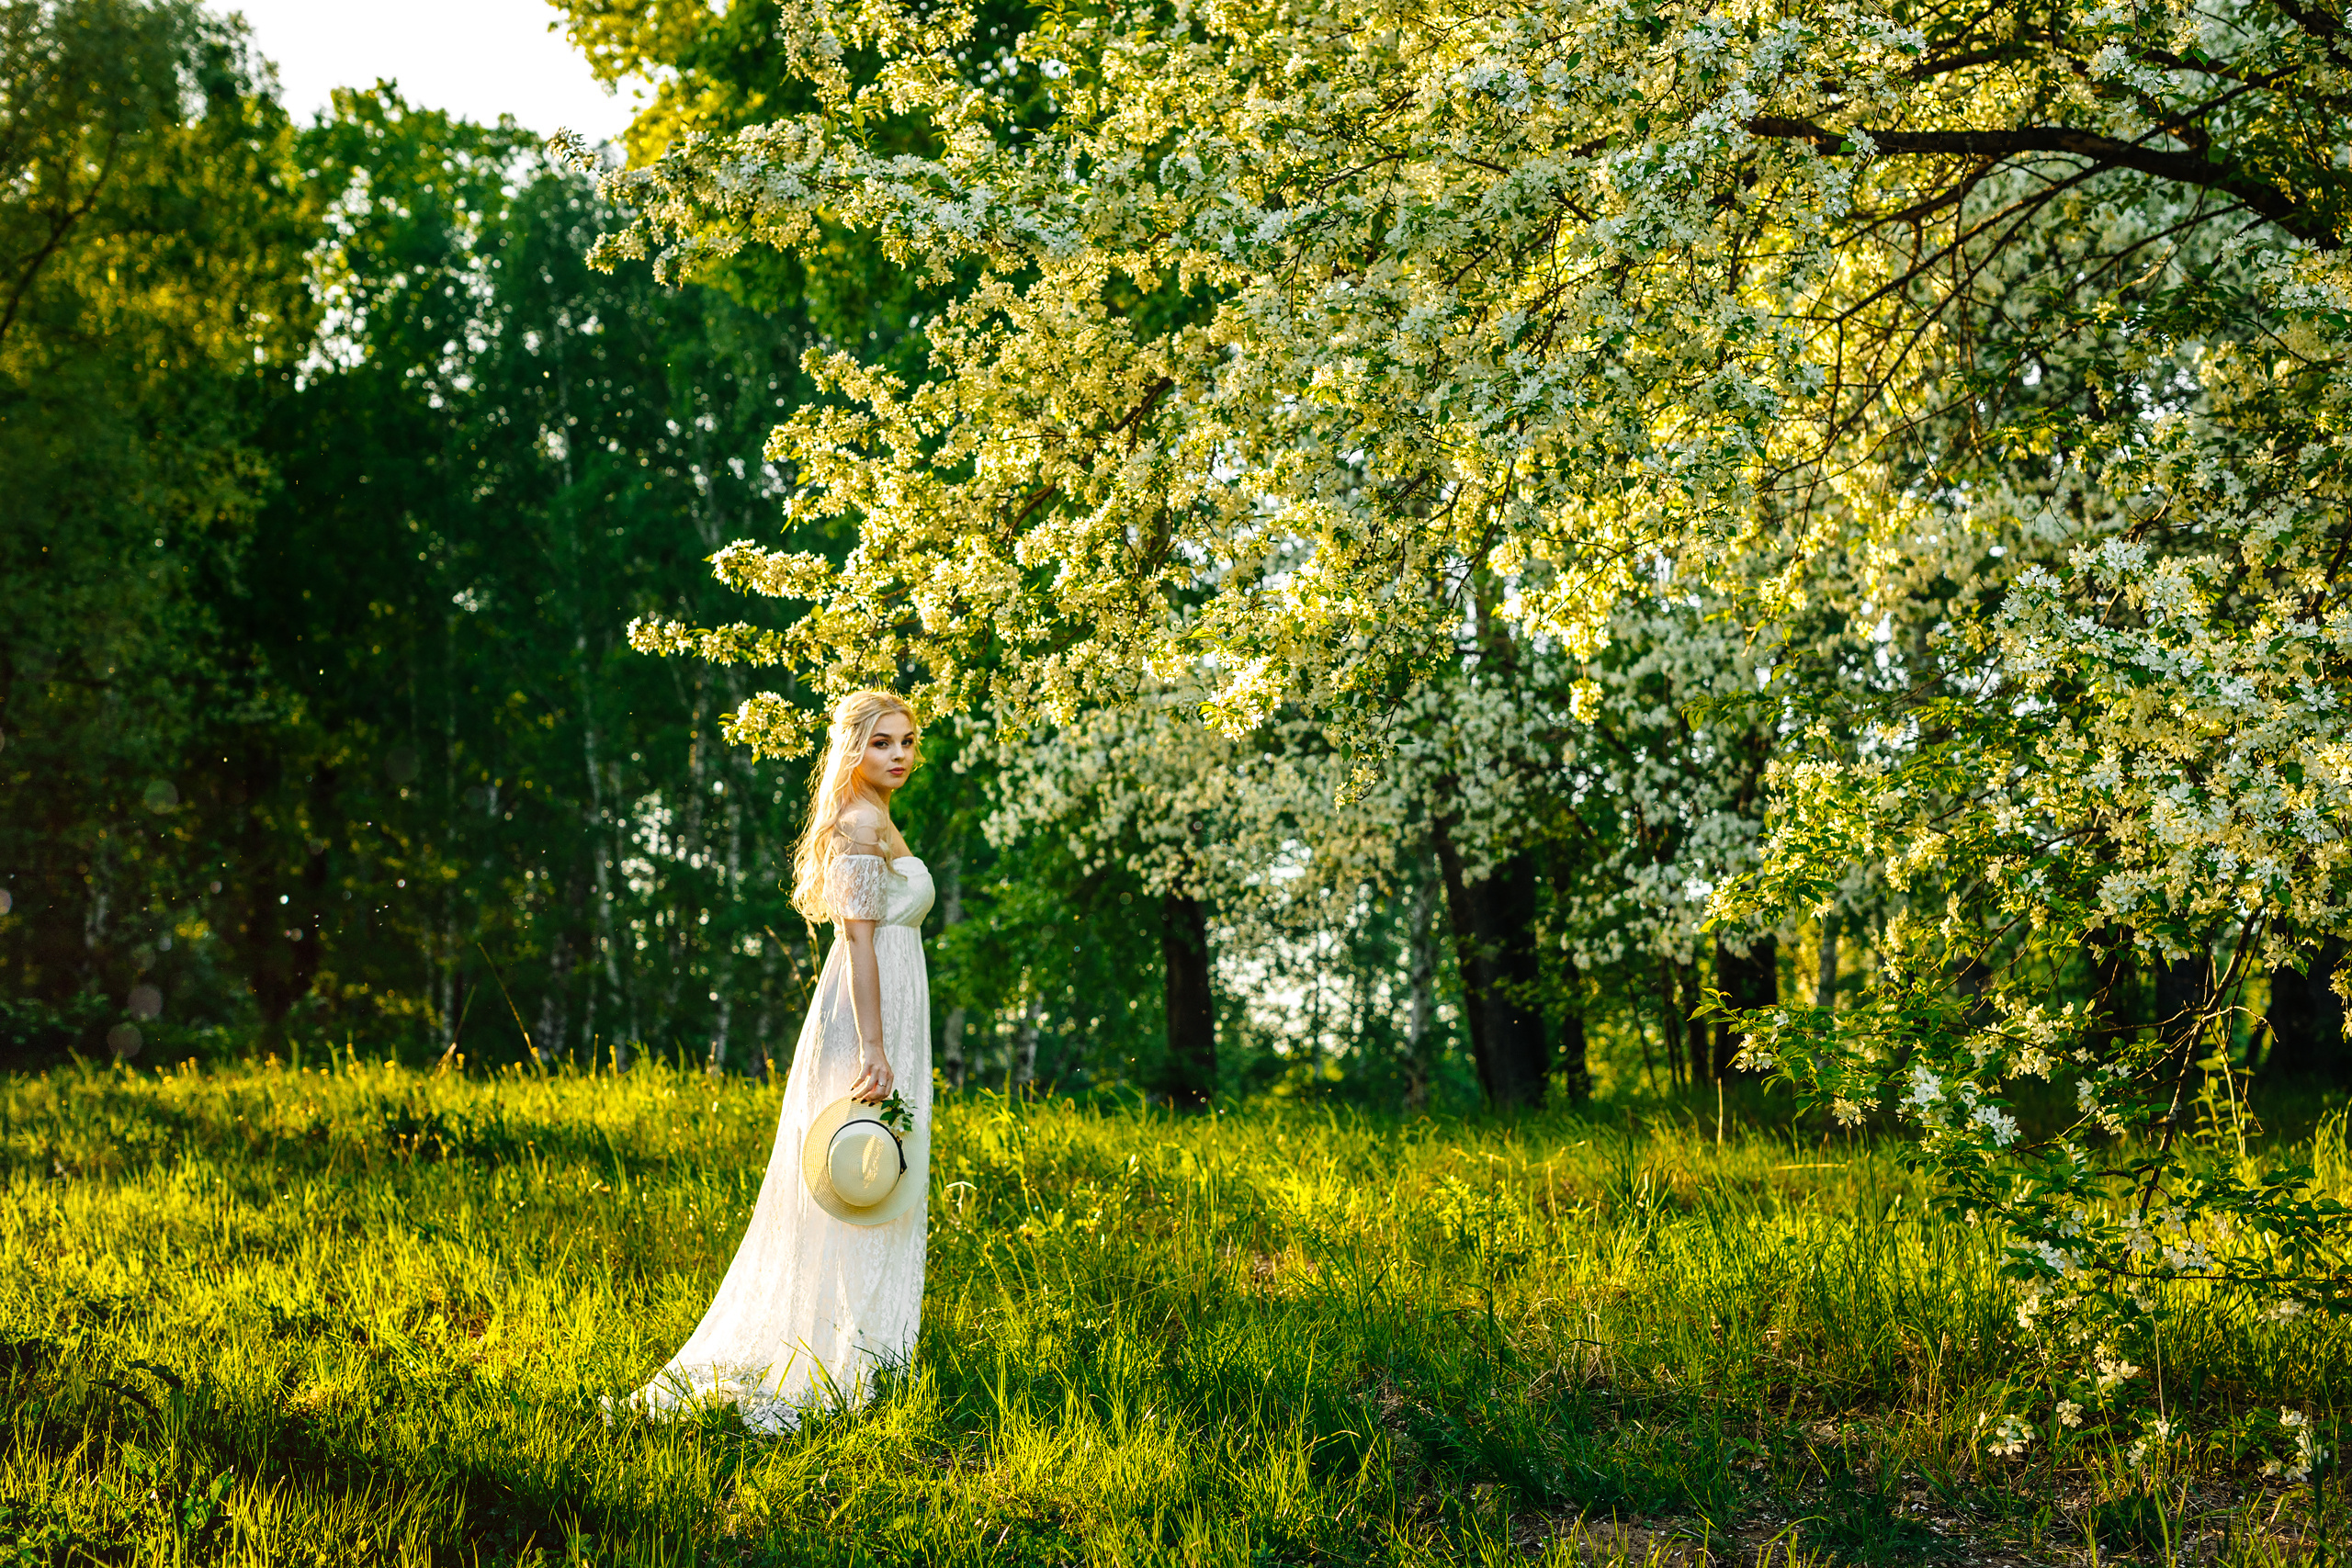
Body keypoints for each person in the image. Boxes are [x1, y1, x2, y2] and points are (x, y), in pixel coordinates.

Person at [612, 690, 933, 1433]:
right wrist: (877, 1046)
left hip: (892, 1005)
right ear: (853, 748)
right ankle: (836, 1352)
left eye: (908, 741)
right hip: (867, 1014)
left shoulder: (878, 816)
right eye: (883, 742)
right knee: (855, 1173)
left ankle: (862, 1342)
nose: (901, 754)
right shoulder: (858, 822)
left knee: (877, 1173)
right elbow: (856, 940)